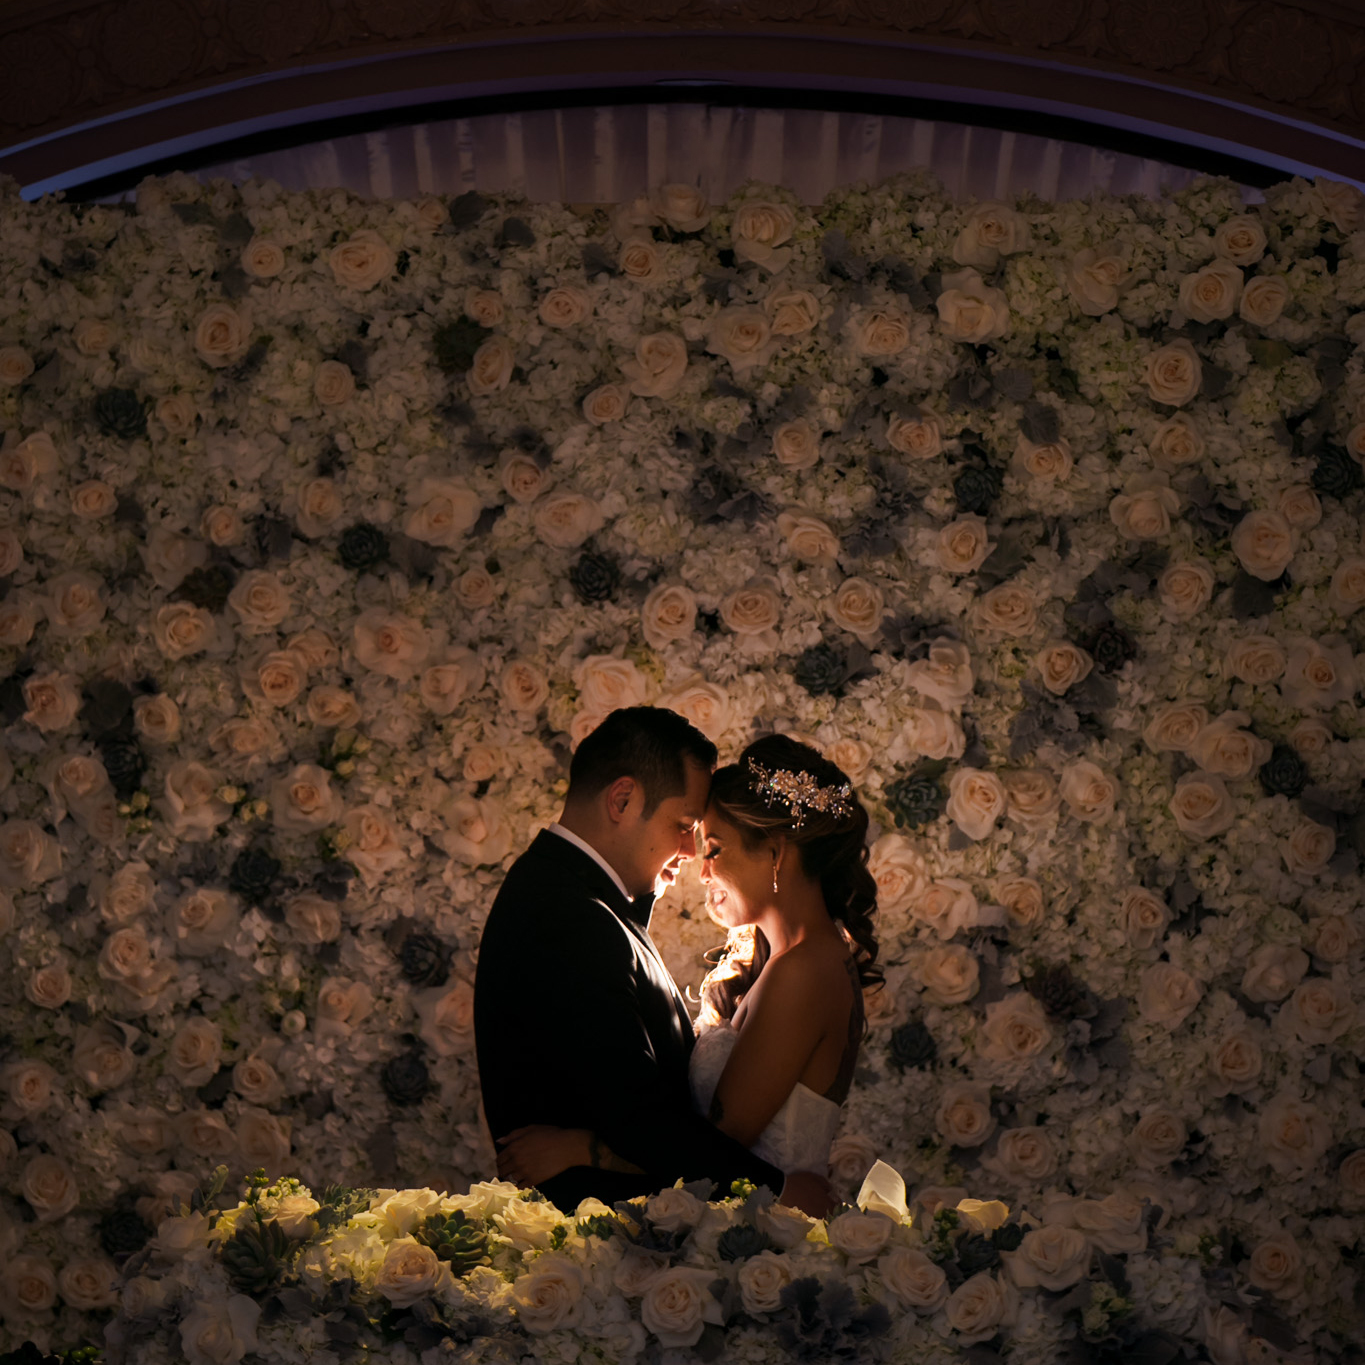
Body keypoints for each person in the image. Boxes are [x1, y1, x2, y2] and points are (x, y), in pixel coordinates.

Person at [494, 732, 880, 1206]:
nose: (702, 871)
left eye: (714, 849)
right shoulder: (793, 960)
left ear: (776, 854)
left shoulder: (805, 970)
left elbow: (720, 1144)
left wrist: (583, 1149)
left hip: (763, 1232)